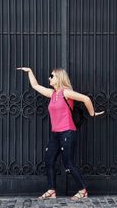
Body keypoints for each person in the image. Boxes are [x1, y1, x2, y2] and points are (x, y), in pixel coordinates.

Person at [17, 67, 104, 200]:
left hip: (67, 132)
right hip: (55, 134)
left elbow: (86, 99)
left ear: (59, 78)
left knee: (68, 163)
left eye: (52, 76)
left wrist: (92, 113)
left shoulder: (66, 92)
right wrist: (30, 71)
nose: (49, 78)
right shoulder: (52, 94)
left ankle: (82, 190)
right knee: (49, 160)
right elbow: (35, 86)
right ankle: (51, 190)